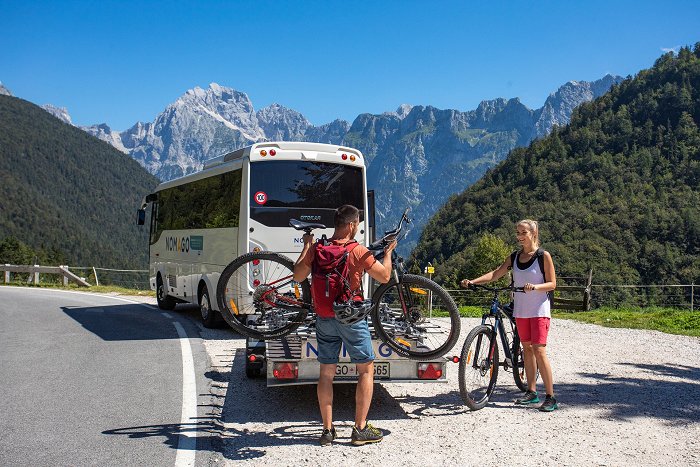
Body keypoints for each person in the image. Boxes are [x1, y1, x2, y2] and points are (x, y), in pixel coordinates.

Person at [294, 204, 397, 445]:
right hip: (350, 317)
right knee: (365, 370)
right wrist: (388, 253)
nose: (358, 228)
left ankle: (327, 431)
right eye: (358, 224)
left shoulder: (318, 248)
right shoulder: (357, 250)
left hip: (324, 317)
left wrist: (306, 245)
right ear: (351, 225)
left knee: (326, 373)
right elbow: (384, 277)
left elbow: (298, 276)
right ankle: (360, 429)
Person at [460, 219, 558, 412]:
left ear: (533, 234)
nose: (520, 237)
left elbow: (553, 284)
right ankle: (531, 391)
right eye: (518, 233)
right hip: (521, 310)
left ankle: (550, 396)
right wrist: (474, 281)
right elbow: (496, 273)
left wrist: (536, 287)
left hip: (539, 310)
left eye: (524, 233)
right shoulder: (514, 257)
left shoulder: (543, 256)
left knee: (539, 350)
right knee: (527, 349)